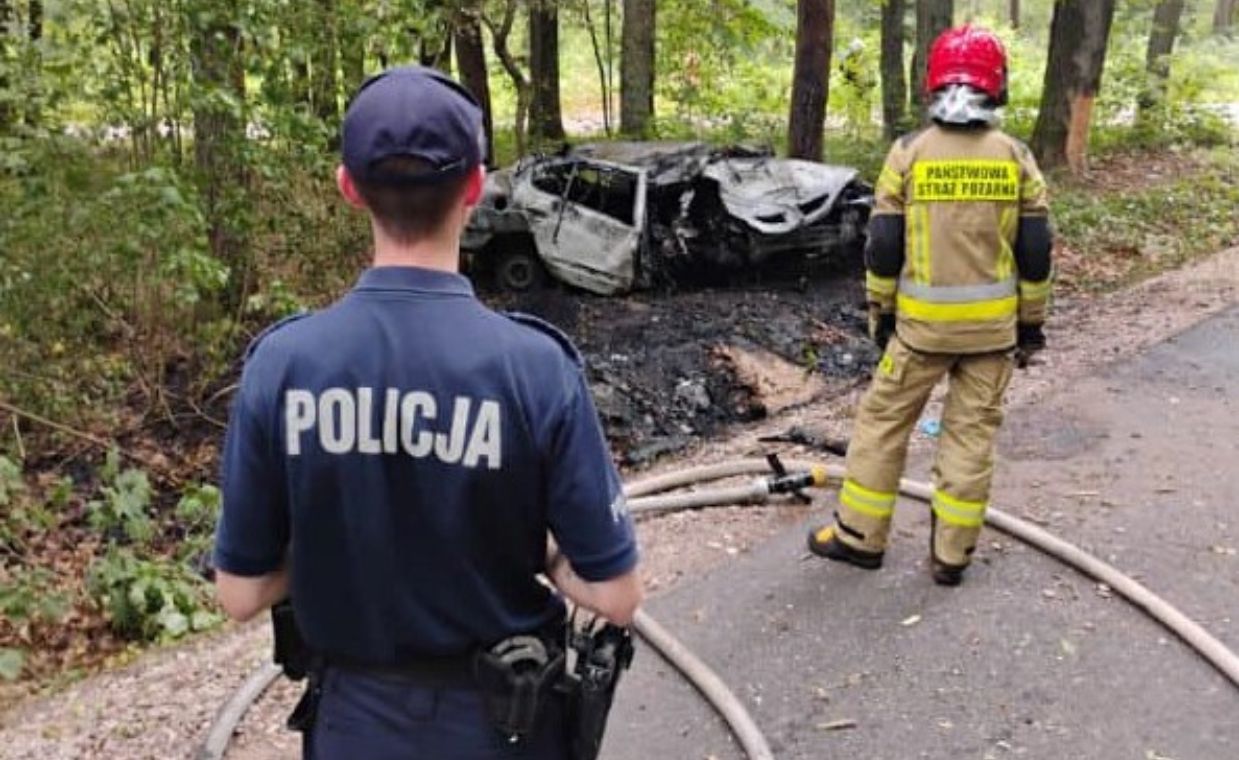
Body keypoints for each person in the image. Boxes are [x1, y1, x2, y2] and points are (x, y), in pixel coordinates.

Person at [211, 65, 643, 759]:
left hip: (352, 727)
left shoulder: (281, 365)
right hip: (503, 729)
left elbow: (238, 592)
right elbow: (617, 595)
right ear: (475, 186)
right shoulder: (534, 368)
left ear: (347, 187)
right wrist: (536, 551)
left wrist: (338, 538)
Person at [808, 26, 1052, 586]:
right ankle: (952, 555)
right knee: (971, 436)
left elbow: (883, 246)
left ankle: (860, 538)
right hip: (993, 336)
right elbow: (1035, 254)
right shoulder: (1016, 158)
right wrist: (1030, 325)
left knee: (882, 424)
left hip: (921, 334)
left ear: (932, 82)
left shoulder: (909, 155)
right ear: (998, 85)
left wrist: (882, 313)